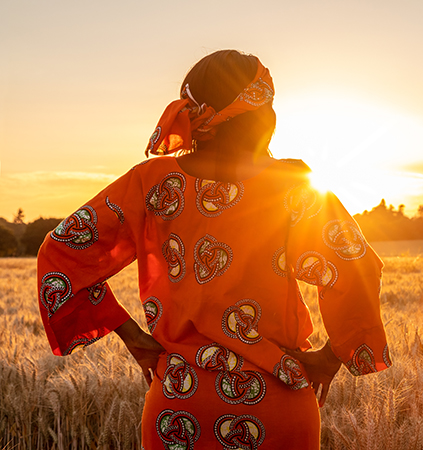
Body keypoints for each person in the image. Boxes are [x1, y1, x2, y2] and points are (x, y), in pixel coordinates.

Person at [36, 49, 391, 449]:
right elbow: (358, 266)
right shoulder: (294, 188)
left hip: (179, 407)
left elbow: (62, 250)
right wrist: (333, 355)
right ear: (262, 116)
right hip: (276, 407)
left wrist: (131, 335)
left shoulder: (151, 182)